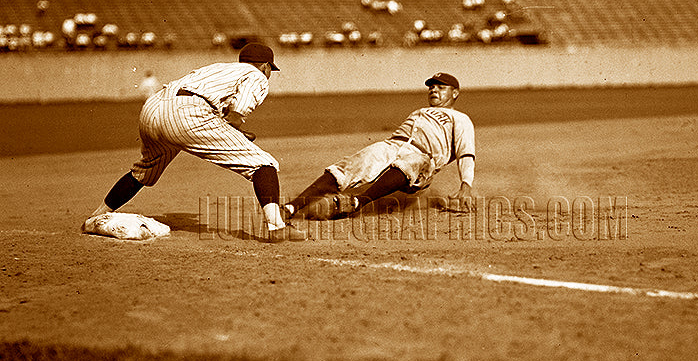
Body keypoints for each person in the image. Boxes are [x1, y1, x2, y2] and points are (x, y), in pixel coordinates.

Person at [84, 42, 305, 241]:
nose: (268, 74)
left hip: (153, 109)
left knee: (144, 171)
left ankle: (96, 217)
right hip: (188, 114)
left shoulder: (218, 69)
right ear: (265, 66)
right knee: (263, 163)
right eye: (270, 70)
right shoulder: (256, 74)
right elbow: (237, 113)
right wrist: (236, 125)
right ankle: (277, 227)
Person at [285, 72, 475, 220]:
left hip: (423, 158)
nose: (433, 90)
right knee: (351, 165)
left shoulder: (460, 118)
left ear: (455, 93)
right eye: (431, 87)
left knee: (411, 162)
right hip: (393, 145)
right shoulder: (420, 111)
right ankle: (291, 207)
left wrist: (466, 185)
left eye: (441, 87)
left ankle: (358, 202)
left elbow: (466, 152)